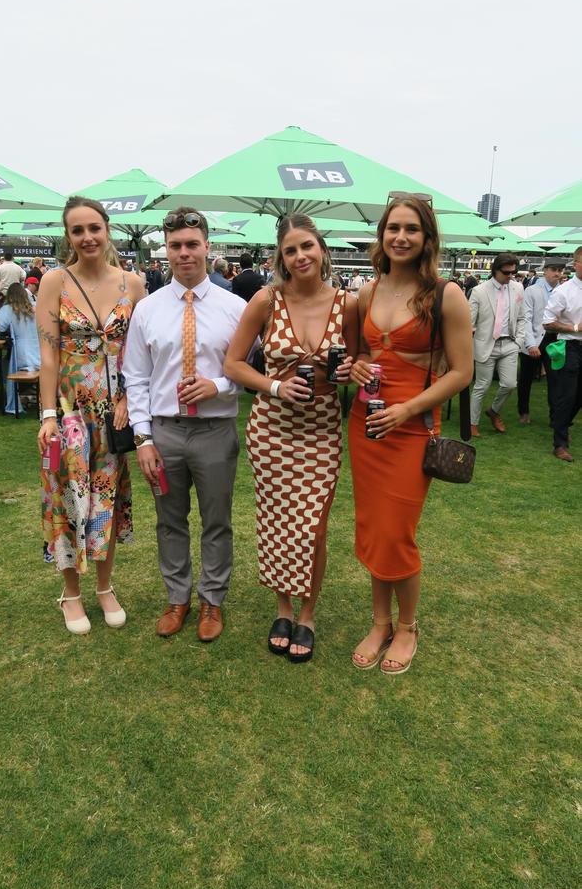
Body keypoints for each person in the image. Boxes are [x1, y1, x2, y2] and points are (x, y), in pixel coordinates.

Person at [224, 213, 358, 662]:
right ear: (281, 258)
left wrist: (349, 372)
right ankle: (283, 608)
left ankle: (309, 615)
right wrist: (275, 385)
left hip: (321, 426)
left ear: (322, 248)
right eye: (290, 250)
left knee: (313, 527)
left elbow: (364, 360)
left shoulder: (348, 303)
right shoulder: (266, 299)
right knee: (278, 522)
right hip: (273, 428)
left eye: (307, 246)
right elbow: (234, 364)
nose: (300, 256)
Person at [348, 196, 472, 675]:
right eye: (392, 228)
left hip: (413, 426)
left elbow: (462, 372)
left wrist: (407, 409)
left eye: (411, 229)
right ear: (381, 235)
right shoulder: (367, 292)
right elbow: (357, 357)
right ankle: (379, 622)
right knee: (373, 526)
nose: (400, 237)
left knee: (397, 532)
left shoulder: (447, 294)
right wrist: (356, 366)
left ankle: (407, 626)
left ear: (427, 238)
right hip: (367, 426)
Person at [123, 207, 247, 643]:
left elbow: (249, 370)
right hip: (165, 433)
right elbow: (135, 376)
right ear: (166, 250)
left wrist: (219, 385)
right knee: (169, 520)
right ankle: (178, 599)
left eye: (192, 244)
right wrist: (142, 438)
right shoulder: (148, 310)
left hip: (215, 433)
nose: (184, 253)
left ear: (207, 247)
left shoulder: (237, 308)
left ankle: (212, 600)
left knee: (217, 521)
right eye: (175, 245)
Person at [36, 196, 145, 634]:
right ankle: (71, 592)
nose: (87, 237)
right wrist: (47, 415)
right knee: (67, 498)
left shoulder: (133, 284)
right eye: (77, 230)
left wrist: (128, 400)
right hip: (70, 411)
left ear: (107, 230)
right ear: (68, 236)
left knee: (107, 500)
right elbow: (48, 356)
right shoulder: (54, 282)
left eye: (94, 228)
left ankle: (104, 587)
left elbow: (140, 352)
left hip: (114, 413)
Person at [468, 253, 525, 437]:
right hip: (486, 345)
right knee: (481, 386)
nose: (510, 276)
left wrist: (519, 342)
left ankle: (493, 411)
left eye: (513, 272)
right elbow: (469, 322)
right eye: (506, 272)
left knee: (509, 384)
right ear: (495, 271)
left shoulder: (518, 288)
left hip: (510, 344)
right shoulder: (479, 291)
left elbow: (522, 317)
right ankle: (472, 423)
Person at [543, 245, 582, 462]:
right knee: (566, 395)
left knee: (578, 396)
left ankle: (562, 424)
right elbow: (547, 322)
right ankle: (560, 443)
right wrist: (575, 328)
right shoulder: (563, 291)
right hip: (570, 347)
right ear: (576, 265)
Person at [517, 261, 563, 425]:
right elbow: (526, 318)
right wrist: (530, 344)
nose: (557, 273)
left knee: (555, 380)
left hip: (555, 339)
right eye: (553, 270)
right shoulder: (532, 290)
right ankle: (523, 411)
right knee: (526, 378)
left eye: (559, 270)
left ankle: (555, 417)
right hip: (534, 337)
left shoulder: (563, 290)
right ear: (545, 271)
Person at [0, 282, 42, 415]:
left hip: (21, 354)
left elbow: (0, 327)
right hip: (39, 353)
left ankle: (19, 394)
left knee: (3, 363)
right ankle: (26, 394)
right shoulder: (35, 307)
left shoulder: (7, 309)